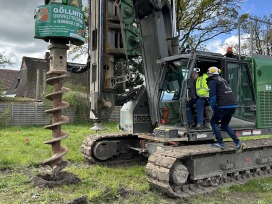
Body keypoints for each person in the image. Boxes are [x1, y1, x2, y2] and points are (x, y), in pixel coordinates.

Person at [206, 66, 244, 153]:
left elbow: (213, 97)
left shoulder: (212, 81)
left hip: (223, 106)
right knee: (224, 125)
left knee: (213, 122)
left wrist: (213, 108)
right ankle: (238, 142)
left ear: (211, 73)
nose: (208, 75)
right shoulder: (223, 80)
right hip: (232, 105)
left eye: (208, 73)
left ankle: (220, 143)